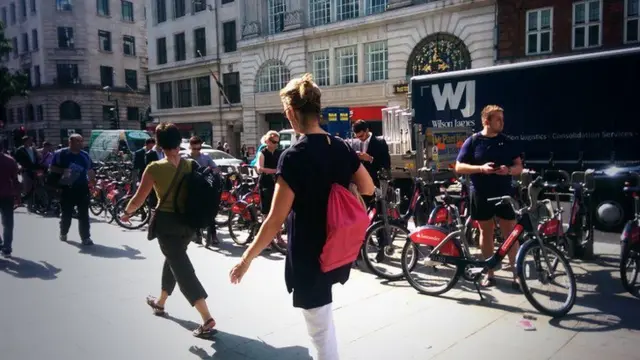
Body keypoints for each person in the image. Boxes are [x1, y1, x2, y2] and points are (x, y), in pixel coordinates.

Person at [229, 74, 374, 360]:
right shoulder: (342, 146)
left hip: (310, 251)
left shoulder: (294, 156)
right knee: (322, 315)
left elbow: (274, 220)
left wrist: (245, 260)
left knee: (318, 328)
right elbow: (368, 188)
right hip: (337, 245)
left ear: (291, 113)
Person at [120, 123, 216, 338]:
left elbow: (139, 198)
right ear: (178, 142)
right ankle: (160, 303)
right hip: (188, 224)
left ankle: (207, 319)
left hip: (167, 224)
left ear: (159, 144)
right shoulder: (190, 164)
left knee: (182, 269)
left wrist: (127, 213)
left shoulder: (154, 168)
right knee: (173, 260)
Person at [455, 105, 523, 289]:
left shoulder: (507, 142)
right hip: (481, 193)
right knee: (487, 233)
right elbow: (459, 167)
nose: (502, 122)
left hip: (504, 193)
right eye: (498, 119)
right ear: (487, 121)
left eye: (502, 119)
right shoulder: (473, 141)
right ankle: (489, 273)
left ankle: (517, 274)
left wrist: (508, 170)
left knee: (511, 233)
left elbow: (519, 167)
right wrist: (480, 168)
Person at [50, 134, 95, 245]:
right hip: (66, 188)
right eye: (77, 141)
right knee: (67, 214)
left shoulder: (85, 155)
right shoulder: (60, 154)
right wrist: (64, 171)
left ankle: (85, 237)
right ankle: (63, 232)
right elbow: (52, 168)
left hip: (82, 187)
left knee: (84, 214)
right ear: (70, 142)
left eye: (81, 141)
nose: (80, 143)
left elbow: (90, 170)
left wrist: (93, 182)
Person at [184, 136, 220, 247]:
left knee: (210, 211)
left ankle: (213, 235)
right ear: (190, 147)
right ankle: (197, 234)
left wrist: (211, 170)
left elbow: (216, 168)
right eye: (194, 149)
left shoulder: (206, 157)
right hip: (192, 188)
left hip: (205, 188)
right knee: (194, 210)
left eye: (198, 149)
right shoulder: (185, 158)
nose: (196, 151)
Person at [255, 131, 283, 216]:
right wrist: (275, 170)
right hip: (266, 183)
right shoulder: (262, 153)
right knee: (266, 210)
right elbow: (260, 169)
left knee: (278, 208)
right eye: (274, 142)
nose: (276, 144)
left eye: (277, 142)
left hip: (277, 182)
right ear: (267, 141)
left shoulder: (279, 153)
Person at [0, 142, 20, 257]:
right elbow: (15, 180)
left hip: (6, 194)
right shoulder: (10, 160)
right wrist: (18, 196)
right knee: (8, 222)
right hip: (7, 194)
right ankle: (7, 247)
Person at [14, 136, 39, 210]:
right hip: (26, 170)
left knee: (36, 187)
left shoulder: (33, 149)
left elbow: (38, 157)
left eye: (31, 140)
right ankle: (30, 205)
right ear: (25, 142)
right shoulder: (20, 150)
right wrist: (19, 167)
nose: (31, 142)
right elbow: (16, 160)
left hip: (34, 170)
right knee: (28, 188)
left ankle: (36, 203)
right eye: (29, 141)